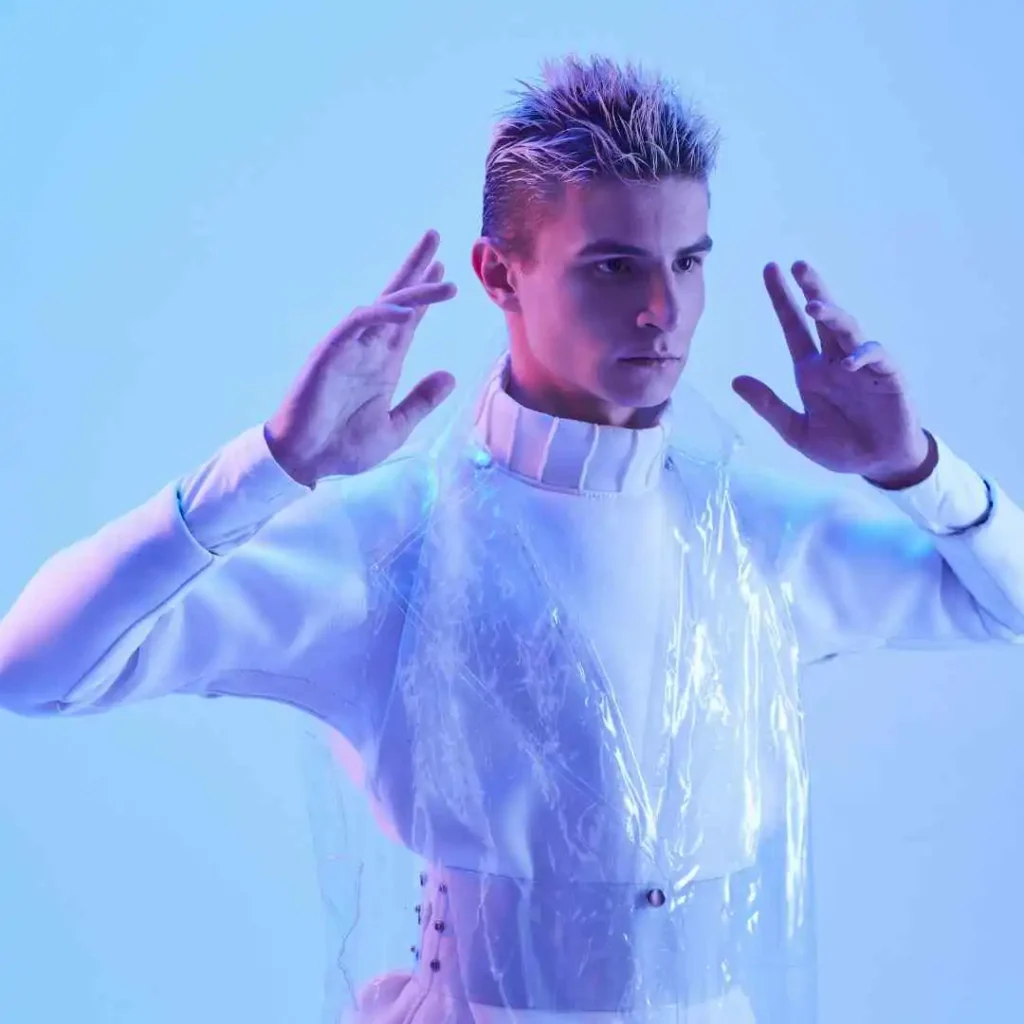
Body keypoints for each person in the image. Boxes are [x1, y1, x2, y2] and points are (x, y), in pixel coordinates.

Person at [1, 55, 1022, 1024]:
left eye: (687, 261)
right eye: (613, 266)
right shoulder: (394, 543)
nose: (662, 308)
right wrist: (270, 467)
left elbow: (1004, 603)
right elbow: (35, 667)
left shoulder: (748, 533)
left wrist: (918, 472)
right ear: (499, 274)